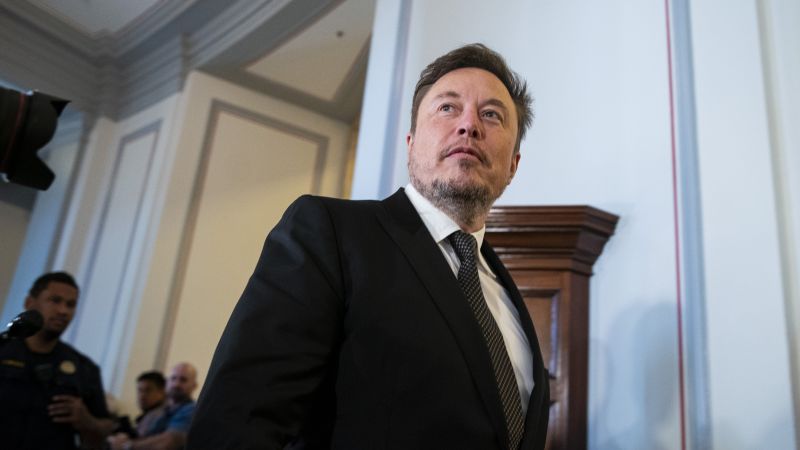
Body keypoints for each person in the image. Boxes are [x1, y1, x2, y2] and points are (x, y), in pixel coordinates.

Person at [188, 43, 550, 449]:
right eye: (448, 108)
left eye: (492, 115)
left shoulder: (506, 296)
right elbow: (238, 418)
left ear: (513, 165)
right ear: (411, 143)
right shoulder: (331, 233)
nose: (469, 125)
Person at [0, 271, 114, 449]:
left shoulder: (84, 368)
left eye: (70, 305)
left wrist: (88, 422)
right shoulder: (3, 349)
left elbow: (105, 430)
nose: (63, 311)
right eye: (55, 300)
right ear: (29, 303)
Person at [108, 362, 198, 450]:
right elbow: (146, 438)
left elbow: (168, 442)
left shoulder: (191, 410)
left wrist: (127, 445)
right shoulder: (165, 411)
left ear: (194, 386)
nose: (176, 384)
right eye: (173, 378)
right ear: (167, 382)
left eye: (183, 380)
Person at [135, 370, 168, 436]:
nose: (142, 396)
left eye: (148, 390)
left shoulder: (161, 415)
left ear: (162, 392)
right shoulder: (149, 413)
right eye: (140, 390)